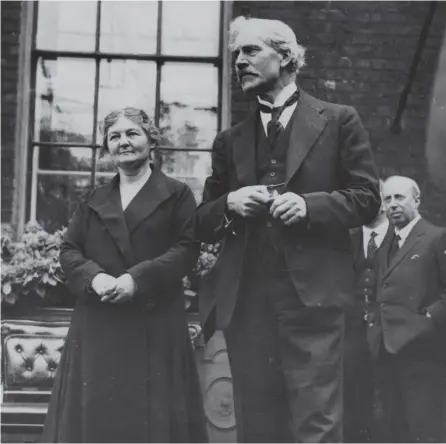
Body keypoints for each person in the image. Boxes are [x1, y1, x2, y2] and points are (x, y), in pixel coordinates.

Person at [195, 16, 381, 443]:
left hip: (312, 300)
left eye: (250, 51)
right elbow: (202, 220)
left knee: (316, 422)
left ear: (285, 56)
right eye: (236, 54)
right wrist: (230, 204)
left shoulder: (338, 120)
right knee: (258, 424)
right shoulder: (230, 140)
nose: (239, 62)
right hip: (247, 302)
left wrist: (309, 205)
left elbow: (367, 198)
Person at [43, 108, 208, 443]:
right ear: (107, 146)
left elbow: (186, 249)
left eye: (132, 133)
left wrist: (137, 280)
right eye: (114, 136)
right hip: (98, 322)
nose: (124, 142)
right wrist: (94, 277)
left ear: (151, 140)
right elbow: (69, 249)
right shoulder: (94, 198)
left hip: (155, 322)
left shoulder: (177, 194)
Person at [366, 175, 446, 443]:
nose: (393, 205)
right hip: (386, 350)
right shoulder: (385, 244)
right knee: (393, 426)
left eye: (399, 198)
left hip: (422, 351)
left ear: (416, 200)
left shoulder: (436, 237)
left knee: (425, 425)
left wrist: (425, 320)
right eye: (387, 199)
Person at [344, 182, 392, 443]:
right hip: (350, 334)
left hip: (389, 333)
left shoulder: (401, 238)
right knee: (351, 396)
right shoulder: (346, 238)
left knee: (387, 397)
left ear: (385, 203)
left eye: (375, 199)